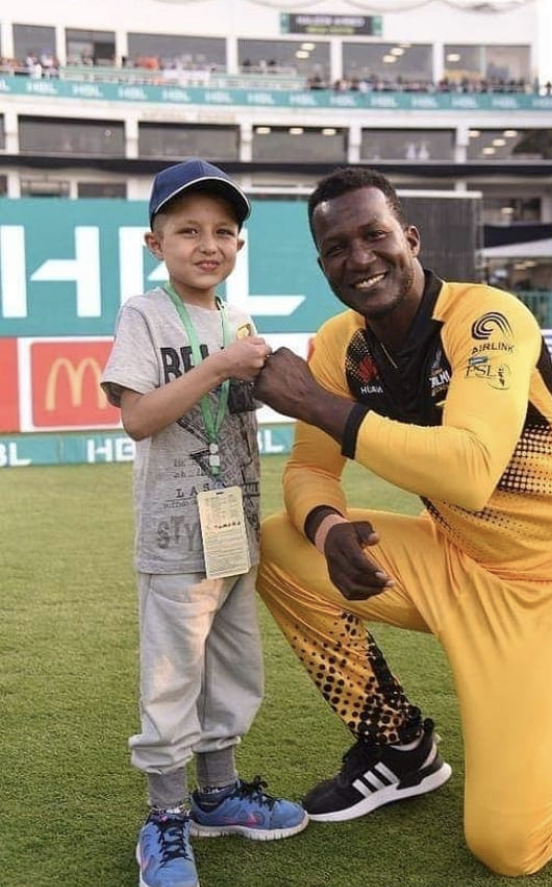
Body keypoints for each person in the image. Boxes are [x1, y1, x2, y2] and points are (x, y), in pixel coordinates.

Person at [252, 167, 552, 876]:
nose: (360, 257)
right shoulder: (342, 342)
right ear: (322, 264)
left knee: (508, 844)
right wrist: (325, 525)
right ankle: (398, 747)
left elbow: (470, 467)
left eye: (374, 234)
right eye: (337, 246)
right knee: (274, 543)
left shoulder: (487, 318)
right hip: (455, 559)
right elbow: (309, 471)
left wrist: (321, 406)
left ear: (408, 237)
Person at [101, 158, 308, 887]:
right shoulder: (144, 313)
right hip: (173, 538)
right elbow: (137, 418)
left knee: (233, 671)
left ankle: (216, 795)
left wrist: (282, 380)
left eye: (223, 230)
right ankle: (163, 817)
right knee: (171, 680)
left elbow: (241, 406)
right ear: (156, 244)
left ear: (239, 246)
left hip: (234, 528)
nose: (207, 243)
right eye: (187, 229)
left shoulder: (236, 319)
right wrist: (220, 366)